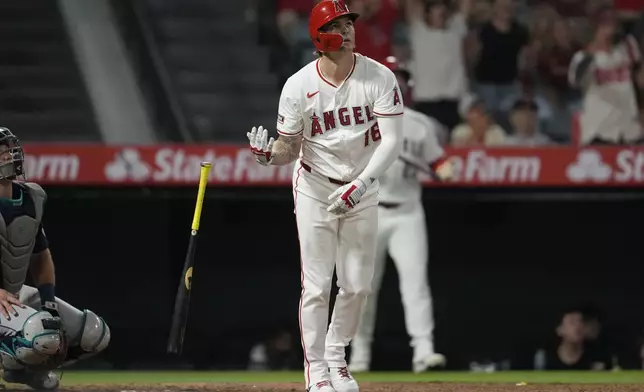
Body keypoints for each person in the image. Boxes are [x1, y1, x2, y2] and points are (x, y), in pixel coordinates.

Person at [247, 1, 404, 390]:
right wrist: (270, 157)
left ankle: (336, 354)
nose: (348, 29)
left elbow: (392, 142)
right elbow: (289, 148)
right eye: (337, 24)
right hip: (316, 187)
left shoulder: (379, 77)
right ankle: (317, 371)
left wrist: (362, 184)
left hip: (362, 185)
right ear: (319, 35)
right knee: (317, 286)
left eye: (349, 22)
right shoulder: (298, 85)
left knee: (357, 285)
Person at [348, 56, 449, 374]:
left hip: (407, 212)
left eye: (402, 77)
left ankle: (424, 352)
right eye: (392, 77)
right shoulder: (359, 119)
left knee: (415, 284)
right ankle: (359, 355)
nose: (397, 83)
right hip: (371, 209)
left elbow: (437, 164)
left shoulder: (420, 124)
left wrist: (445, 170)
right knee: (364, 287)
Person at [0, 127, 110, 390]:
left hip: (13, 295)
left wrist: (48, 300)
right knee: (42, 334)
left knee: (94, 333)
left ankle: (22, 371)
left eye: (9, 149)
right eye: (1, 151)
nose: (9, 155)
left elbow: (41, 257)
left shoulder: (32, 197)